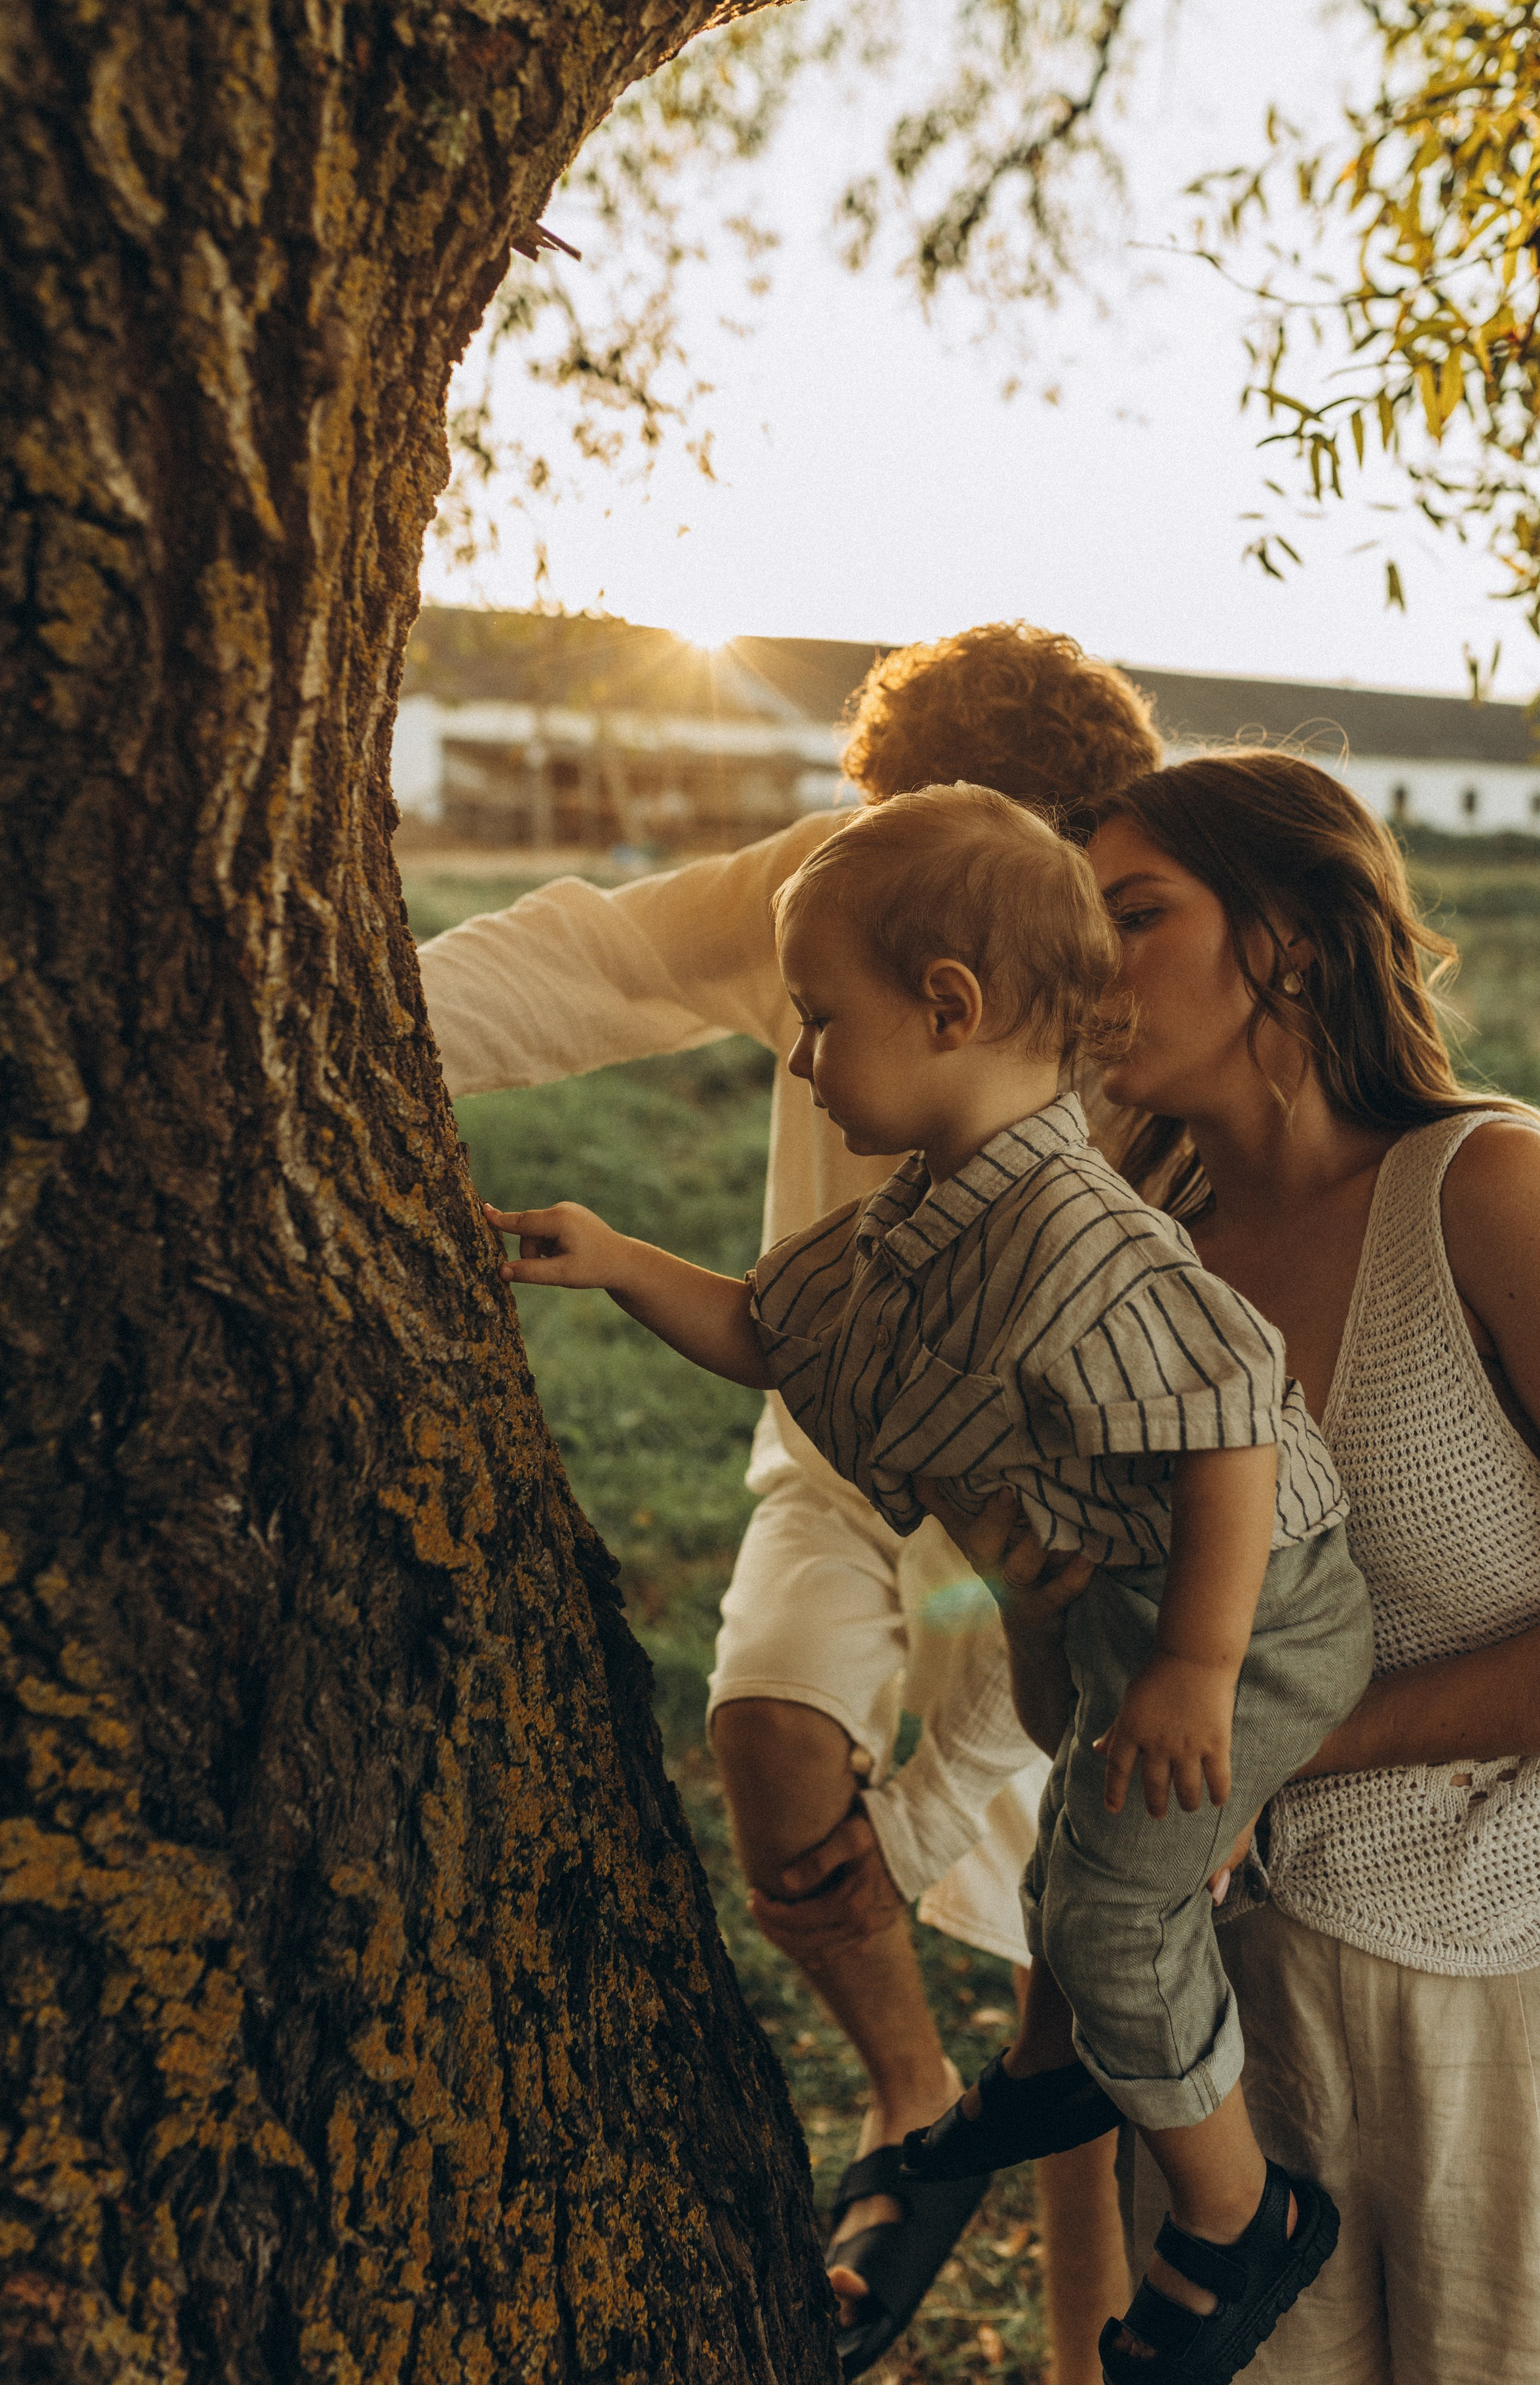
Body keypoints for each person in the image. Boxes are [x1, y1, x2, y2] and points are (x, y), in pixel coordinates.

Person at [485, 784, 1376, 2385]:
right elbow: (774, 1332)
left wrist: (1192, 1663)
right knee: (1074, 1866)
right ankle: (1072, 2072)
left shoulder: (1073, 1239)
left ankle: (1241, 2225)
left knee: (1111, 1919)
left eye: (821, 1023)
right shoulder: (924, 1221)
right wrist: (618, 1258)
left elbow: (1236, 1417)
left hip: (1245, 1617)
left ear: (948, 1007)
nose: (805, 1057)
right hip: (1115, 1609)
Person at [417, 625, 1157, 2379]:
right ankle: (909, 2107)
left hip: (1069, 1509)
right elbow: (594, 961)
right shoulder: (845, 887)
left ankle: (1091, 2320)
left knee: (1104, 1956)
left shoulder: (1134, 954)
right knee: (772, 1732)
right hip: (841, 1457)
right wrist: (298, 1014)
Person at [951, 746, 1540, 2384]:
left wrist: (1302, 1742)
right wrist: (1032, 1589)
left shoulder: (1480, 1191)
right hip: (1227, 2038)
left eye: (1131, 915)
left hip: (1523, 1988)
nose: (1088, 965)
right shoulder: (1130, 1268)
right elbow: (1092, 1696)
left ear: (1287, 935)